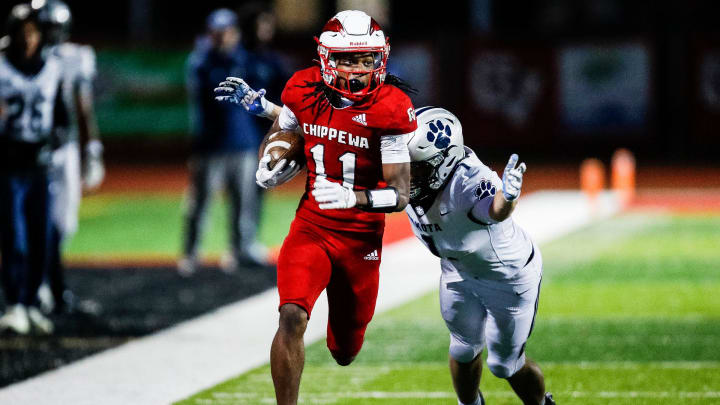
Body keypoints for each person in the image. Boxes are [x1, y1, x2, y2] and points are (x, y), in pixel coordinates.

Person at [216, 74, 555, 403]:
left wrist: (508, 196)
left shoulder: (468, 180)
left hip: (506, 276)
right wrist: (268, 109)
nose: (404, 172)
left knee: (502, 363)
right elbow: (333, 132)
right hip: (458, 272)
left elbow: (495, 210)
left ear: (442, 161)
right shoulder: (410, 163)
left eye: (415, 167)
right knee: (463, 350)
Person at [216, 10, 417, 405]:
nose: (359, 68)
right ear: (326, 57)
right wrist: (269, 160)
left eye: (367, 59)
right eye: (348, 58)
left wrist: (355, 198)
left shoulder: (391, 106)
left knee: (346, 350)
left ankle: (344, 339)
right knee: (291, 316)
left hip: (361, 239)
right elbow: (290, 129)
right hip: (312, 226)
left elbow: (400, 194)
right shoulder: (302, 87)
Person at [179, 7, 281, 276]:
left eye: (227, 32)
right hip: (211, 144)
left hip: (243, 142)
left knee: (243, 202)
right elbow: (210, 96)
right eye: (218, 33)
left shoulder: (246, 60)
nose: (223, 38)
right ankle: (191, 252)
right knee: (200, 202)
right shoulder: (201, 62)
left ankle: (241, 249)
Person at [32, 0, 104, 315]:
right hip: (33, 150)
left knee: (64, 222)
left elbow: (83, 106)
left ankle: (47, 283)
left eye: (55, 27)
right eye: (46, 27)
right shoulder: (18, 57)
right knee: (40, 223)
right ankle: (44, 286)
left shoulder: (74, 58)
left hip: (66, 147)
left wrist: (92, 148)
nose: (52, 34)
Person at [0, 3, 65, 335]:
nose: (29, 40)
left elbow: (62, 115)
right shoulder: (2, 67)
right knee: (15, 236)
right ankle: (14, 304)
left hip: (39, 162)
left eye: (33, 33)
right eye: (23, 33)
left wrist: (58, 142)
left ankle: (30, 301)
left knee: (43, 237)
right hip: (9, 161)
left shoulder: (52, 67)